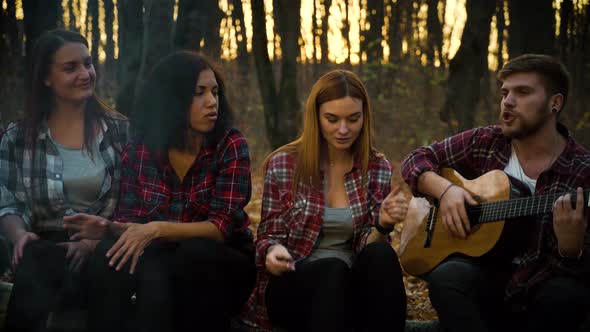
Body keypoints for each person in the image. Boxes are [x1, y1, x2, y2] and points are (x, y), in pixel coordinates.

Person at [64, 51, 256, 332]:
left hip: (222, 258)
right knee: (112, 255)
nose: (212, 102)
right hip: (162, 254)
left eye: (215, 92)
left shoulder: (230, 144)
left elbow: (220, 227)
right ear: (171, 99)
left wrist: (155, 230)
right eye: (198, 93)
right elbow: (135, 218)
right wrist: (109, 227)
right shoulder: (142, 147)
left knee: (192, 255)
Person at [400, 54, 590, 332]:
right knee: (448, 276)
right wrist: (447, 191)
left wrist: (571, 251)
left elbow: (581, 272)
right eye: (504, 93)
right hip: (486, 280)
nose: (508, 102)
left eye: (522, 92)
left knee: (565, 296)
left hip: (538, 293)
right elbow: (416, 159)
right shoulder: (487, 142)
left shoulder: (582, 171)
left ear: (555, 103)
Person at [242, 69, 408, 331]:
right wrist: (273, 253)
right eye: (332, 119)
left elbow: (368, 251)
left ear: (364, 118)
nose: (343, 130)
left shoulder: (377, 168)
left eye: (353, 119)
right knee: (331, 269)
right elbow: (267, 237)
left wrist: (383, 223)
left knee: (381, 254)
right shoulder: (284, 163)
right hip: (294, 285)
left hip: (351, 287)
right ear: (316, 118)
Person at [0, 29, 129, 332]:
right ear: (46, 78)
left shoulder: (121, 132)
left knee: (106, 268)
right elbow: (7, 199)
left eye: (88, 63)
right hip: (44, 244)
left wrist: (94, 240)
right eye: (71, 68)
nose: (85, 74)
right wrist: (19, 235)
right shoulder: (18, 137)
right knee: (39, 258)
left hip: (106, 243)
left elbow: (136, 197)